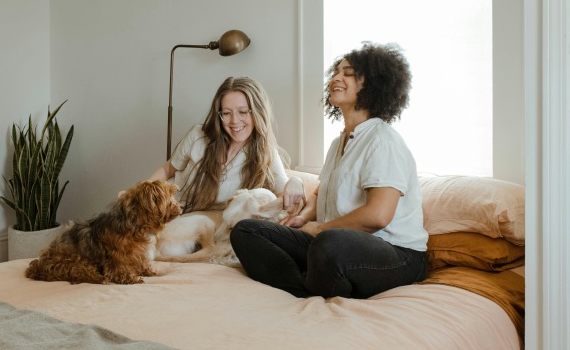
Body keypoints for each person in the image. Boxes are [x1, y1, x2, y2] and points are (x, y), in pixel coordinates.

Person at [230, 42, 428, 299]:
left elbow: (378, 215)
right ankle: (307, 288)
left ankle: (318, 279)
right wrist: (302, 219)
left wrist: (321, 229)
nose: (336, 77)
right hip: (334, 243)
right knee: (246, 231)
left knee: (328, 244)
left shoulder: (382, 140)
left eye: (348, 73)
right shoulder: (340, 142)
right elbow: (320, 191)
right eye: (336, 72)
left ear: (372, 84)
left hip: (397, 254)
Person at [147, 76, 304, 213]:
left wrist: (296, 181)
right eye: (227, 113)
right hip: (168, 210)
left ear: (257, 112)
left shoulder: (265, 152)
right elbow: (168, 169)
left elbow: (285, 195)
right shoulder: (198, 136)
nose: (234, 121)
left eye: (243, 112)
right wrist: (140, 192)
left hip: (206, 222)